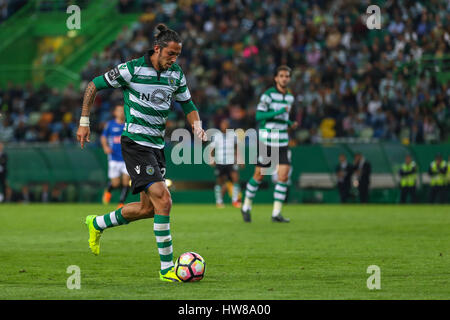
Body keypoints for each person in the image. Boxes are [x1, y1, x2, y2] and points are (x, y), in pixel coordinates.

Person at [76, 24, 207, 282]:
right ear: (157, 49)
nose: (174, 60)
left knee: (149, 209)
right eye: (170, 54)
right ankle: (167, 268)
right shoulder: (132, 69)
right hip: (135, 144)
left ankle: (97, 224)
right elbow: (93, 85)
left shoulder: (176, 74)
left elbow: (188, 103)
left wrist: (198, 125)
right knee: (164, 199)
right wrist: (83, 121)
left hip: (157, 146)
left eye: (177, 55)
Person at [241, 65, 297, 223]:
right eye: (282, 76)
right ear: (276, 78)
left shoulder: (290, 97)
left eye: (287, 76)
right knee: (259, 175)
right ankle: (246, 206)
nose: (284, 78)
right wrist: (278, 112)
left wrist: (289, 122)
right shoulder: (268, 95)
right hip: (268, 141)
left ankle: (276, 213)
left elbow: (282, 118)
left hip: (283, 140)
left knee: (283, 176)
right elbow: (259, 115)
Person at [101, 105, 130, 208]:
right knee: (116, 183)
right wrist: (105, 147)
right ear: (115, 113)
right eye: (119, 110)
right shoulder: (110, 125)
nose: (121, 112)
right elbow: (103, 137)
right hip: (114, 158)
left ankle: (121, 203)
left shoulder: (128, 124)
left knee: (126, 181)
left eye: (123, 111)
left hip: (126, 158)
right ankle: (108, 191)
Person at [210, 118, 242, 209]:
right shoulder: (216, 136)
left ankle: (235, 201)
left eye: (226, 124)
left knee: (236, 179)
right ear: (220, 126)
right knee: (220, 182)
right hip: (220, 162)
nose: (224, 126)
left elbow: (237, 148)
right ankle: (219, 201)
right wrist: (211, 159)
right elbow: (212, 149)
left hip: (231, 161)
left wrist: (240, 159)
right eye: (223, 124)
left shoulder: (233, 135)